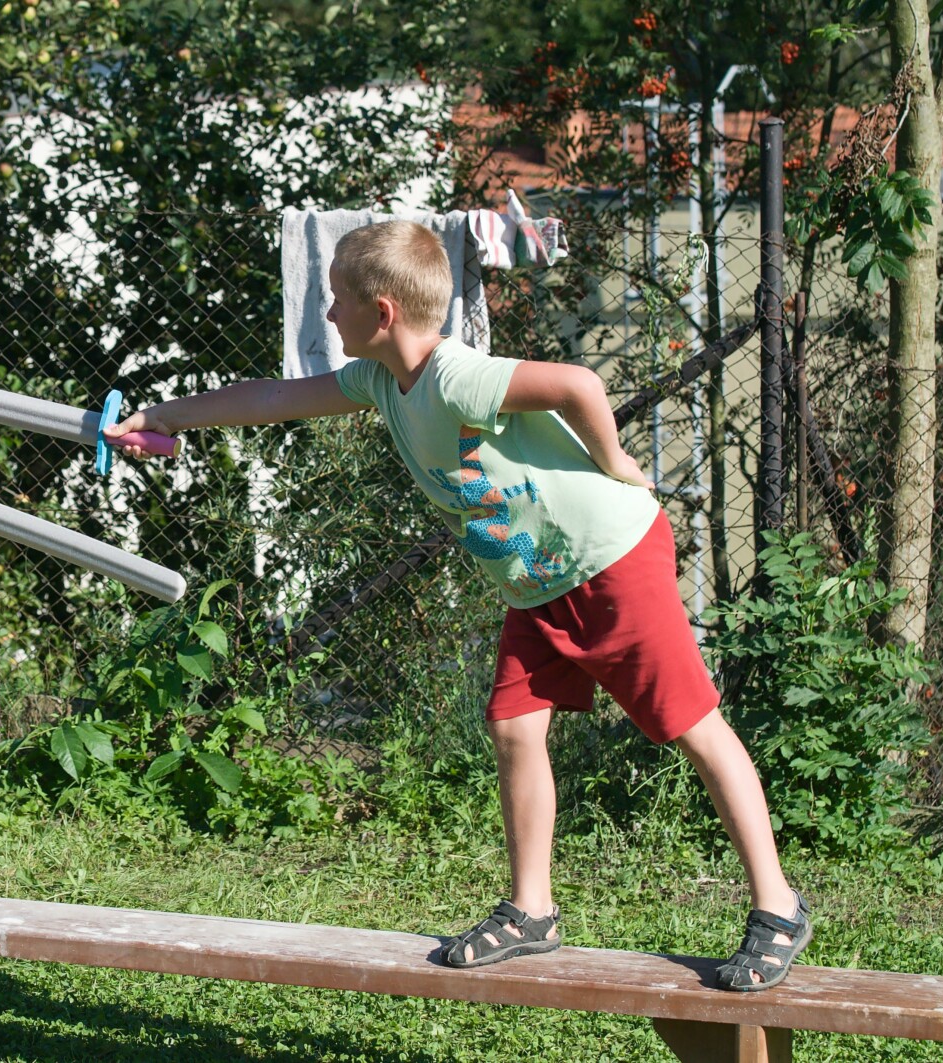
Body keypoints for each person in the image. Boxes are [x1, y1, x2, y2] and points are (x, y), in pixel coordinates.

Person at [107, 220, 811, 990]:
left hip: (612, 560)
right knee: (514, 725)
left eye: (336, 300)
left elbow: (579, 385)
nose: (328, 314)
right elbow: (275, 396)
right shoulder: (380, 381)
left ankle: (778, 907)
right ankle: (532, 910)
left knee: (691, 726)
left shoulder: (455, 377)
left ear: (382, 312)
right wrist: (166, 414)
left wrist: (614, 458)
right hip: (538, 583)